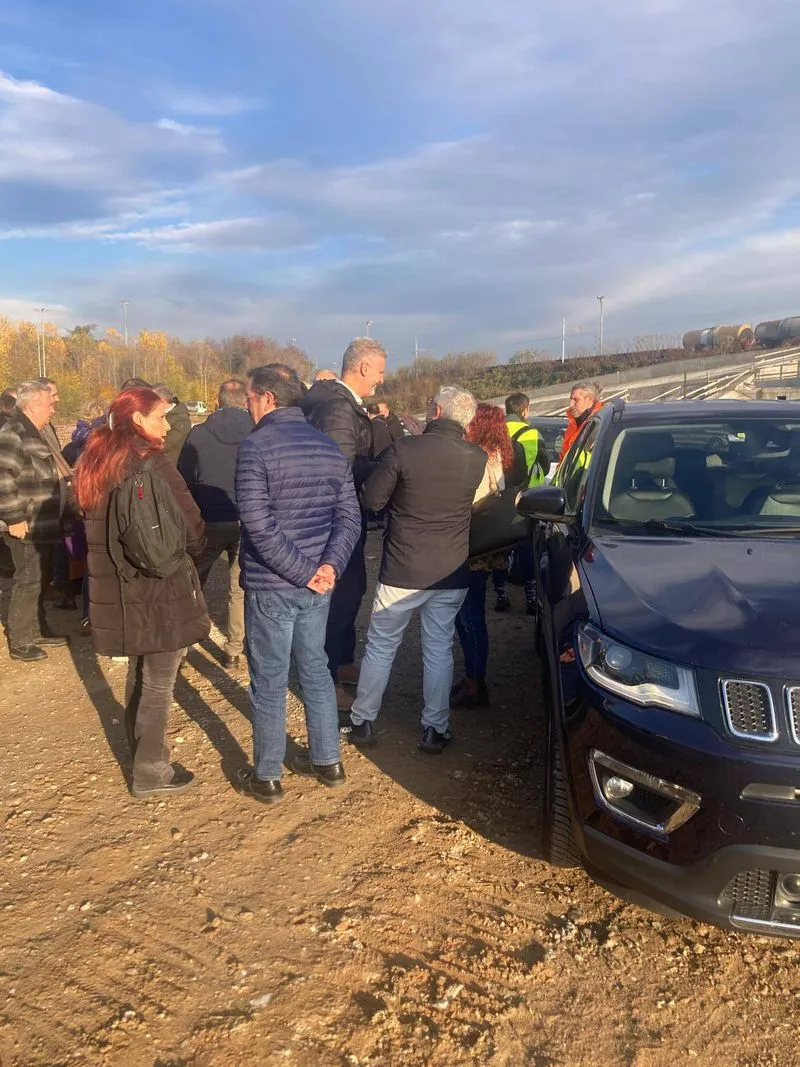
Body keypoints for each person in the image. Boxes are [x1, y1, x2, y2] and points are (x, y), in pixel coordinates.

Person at [73, 387, 210, 800]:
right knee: (160, 680)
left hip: (118, 585)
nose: (167, 425)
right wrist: (195, 552)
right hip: (158, 585)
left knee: (141, 669)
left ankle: (139, 750)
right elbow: (191, 523)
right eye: (160, 417)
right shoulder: (152, 462)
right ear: (138, 420)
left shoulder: (95, 457)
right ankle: (152, 770)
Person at [234, 364, 362, 805]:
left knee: (269, 679)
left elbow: (256, 523)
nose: (247, 405)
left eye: (250, 397)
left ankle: (267, 774)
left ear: (268, 398)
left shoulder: (256, 447)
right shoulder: (328, 446)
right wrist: (328, 566)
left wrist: (312, 569)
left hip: (276, 582)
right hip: (314, 584)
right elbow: (349, 517)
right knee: (315, 669)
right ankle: (328, 761)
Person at [341, 385, 487, 754]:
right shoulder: (476, 457)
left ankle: (362, 721)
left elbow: (372, 500)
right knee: (438, 649)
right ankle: (434, 729)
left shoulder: (405, 449)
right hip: (451, 568)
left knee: (381, 645)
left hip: (403, 567)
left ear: (436, 411)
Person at [302, 337, 387, 708]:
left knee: (352, 589)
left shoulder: (341, 404)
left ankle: (342, 660)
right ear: (364, 367)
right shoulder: (338, 408)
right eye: (380, 372)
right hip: (336, 518)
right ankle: (325, 675)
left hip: (343, 516)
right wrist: (383, 468)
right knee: (340, 595)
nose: (381, 381)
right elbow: (338, 470)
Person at [178, 379, 252, 669]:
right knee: (239, 587)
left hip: (207, 519)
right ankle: (234, 649)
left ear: (218, 400)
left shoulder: (198, 435)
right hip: (244, 519)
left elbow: (184, 479)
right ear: (245, 401)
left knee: (194, 582)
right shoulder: (257, 432)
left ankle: (183, 647)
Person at [452, 405, 518, 709]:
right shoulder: (499, 455)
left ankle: (476, 683)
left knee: (470, 616)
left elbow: (471, 502)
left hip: (473, 546)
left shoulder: (477, 458)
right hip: (488, 548)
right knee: (470, 615)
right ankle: (471, 678)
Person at [0, 380, 69, 661]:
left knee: (39, 578)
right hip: (25, 524)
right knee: (27, 580)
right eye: (48, 403)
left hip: (43, 523)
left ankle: (36, 629)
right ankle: (20, 640)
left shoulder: (36, 432)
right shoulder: (13, 433)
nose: (54, 407)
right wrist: (14, 517)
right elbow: (2, 477)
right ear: (32, 405)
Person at [492, 392, 547, 615]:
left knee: (499, 549)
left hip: (498, 499)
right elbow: (544, 463)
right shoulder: (532, 433)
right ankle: (531, 597)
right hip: (526, 500)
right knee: (527, 548)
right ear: (525, 410)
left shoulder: (495, 432)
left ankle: (501, 594)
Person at [151, 383, 192, 465]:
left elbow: (165, 445)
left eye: (152, 399)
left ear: (162, 400)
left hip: (169, 468)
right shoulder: (156, 414)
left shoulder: (181, 421)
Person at [561, 381, 603, 459]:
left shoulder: (600, 423)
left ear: (590, 399)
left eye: (576, 400)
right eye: (571, 400)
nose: (571, 404)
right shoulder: (573, 424)